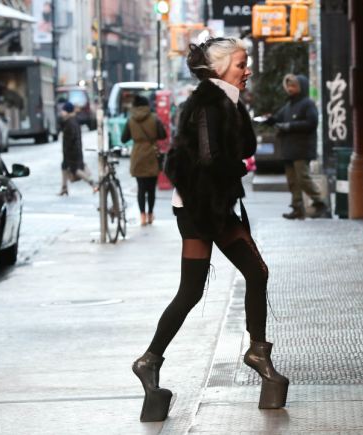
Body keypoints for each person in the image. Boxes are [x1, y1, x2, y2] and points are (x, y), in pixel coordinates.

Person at [131, 37, 288, 422]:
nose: (247, 70)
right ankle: (257, 354)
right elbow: (209, 159)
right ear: (219, 69)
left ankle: (150, 361)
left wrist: (239, 108)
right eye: (240, 65)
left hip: (202, 206)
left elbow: (242, 147)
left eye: (246, 64)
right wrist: (235, 169)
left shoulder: (225, 101)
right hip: (205, 208)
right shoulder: (207, 103)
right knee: (254, 272)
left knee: (192, 290)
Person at [264, 74, 330, 219]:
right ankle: (297, 208)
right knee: (292, 181)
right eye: (288, 86)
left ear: (301, 87)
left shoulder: (307, 104)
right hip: (289, 149)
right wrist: (269, 120)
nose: (290, 89)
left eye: (293, 86)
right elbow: (278, 118)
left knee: (302, 178)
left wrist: (289, 126)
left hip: (302, 148)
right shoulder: (288, 106)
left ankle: (321, 202)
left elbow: (312, 122)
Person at [121, 95, 167, 225]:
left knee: (141, 188)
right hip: (152, 154)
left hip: (137, 156)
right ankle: (150, 214)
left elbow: (124, 138)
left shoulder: (131, 120)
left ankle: (142, 216)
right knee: (151, 189)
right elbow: (163, 135)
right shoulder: (154, 118)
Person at [58, 101, 95, 195]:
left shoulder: (70, 122)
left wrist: (68, 151)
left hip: (72, 151)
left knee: (76, 170)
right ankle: (64, 188)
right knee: (64, 166)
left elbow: (70, 139)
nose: (61, 112)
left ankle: (93, 183)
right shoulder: (70, 121)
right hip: (74, 150)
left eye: (63, 110)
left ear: (67, 111)